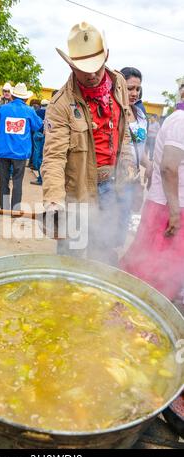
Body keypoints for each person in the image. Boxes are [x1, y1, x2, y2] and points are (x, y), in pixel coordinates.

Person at [41, 21, 135, 264]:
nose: (92, 74)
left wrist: (128, 164)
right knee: (71, 257)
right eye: (84, 69)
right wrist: (53, 202)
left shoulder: (120, 84)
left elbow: (124, 128)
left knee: (105, 254)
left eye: (97, 66)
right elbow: (53, 157)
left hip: (113, 187)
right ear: (71, 65)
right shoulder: (60, 104)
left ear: (107, 57)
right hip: (79, 192)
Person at [120, 107, 184, 304]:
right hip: (168, 207)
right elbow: (168, 167)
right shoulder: (181, 121)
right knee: (150, 267)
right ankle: (132, 310)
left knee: (163, 267)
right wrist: (174, 212)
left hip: (172, 205)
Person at [0, 83, 43, 210]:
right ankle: (15, 208)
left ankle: (4, 206)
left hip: (3, 150)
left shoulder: (2, 109)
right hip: (20, 151)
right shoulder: (29, 110)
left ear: (12, 96)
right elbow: (38, 126)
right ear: (26, 98)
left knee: (3, 180)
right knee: (17, 181)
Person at [117, 67, 150, 246]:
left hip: (133, 178)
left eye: (138, 89)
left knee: (124, 219)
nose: (134, 93)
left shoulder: (140, 115)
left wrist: (149, 165)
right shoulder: (113, 112)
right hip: (115, 180)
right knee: (111, 220)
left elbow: (140, 147)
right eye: (130, 88)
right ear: (120, 86)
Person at [31, 99, 50, 186]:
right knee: (43, 155)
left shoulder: (37, 112)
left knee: (37, 152)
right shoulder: (50, 112)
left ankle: (37, 171)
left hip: (37, 133)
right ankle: (42, 177)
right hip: (46, 134)